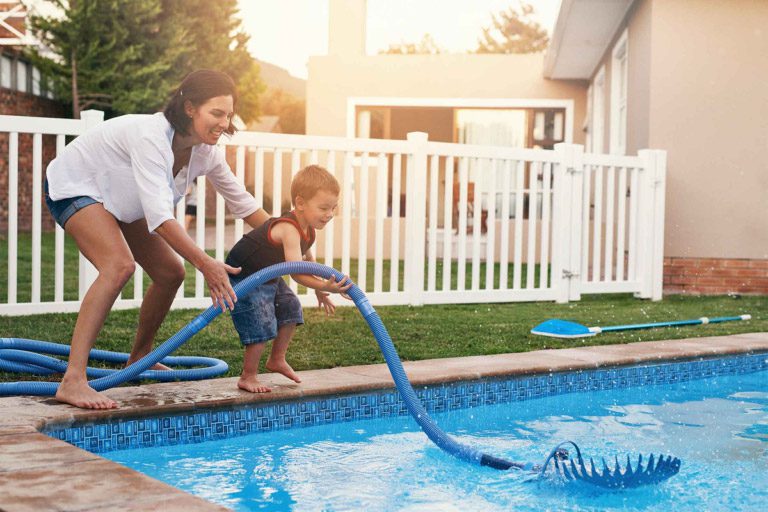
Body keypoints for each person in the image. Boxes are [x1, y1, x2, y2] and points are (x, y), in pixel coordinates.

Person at [44, 70, 269, 409]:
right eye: (217, 113)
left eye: (229, 115)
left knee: (170, 272)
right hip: (76, 185)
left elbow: (245, 204)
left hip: (122, 199)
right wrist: (206, 264)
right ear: (190, 108)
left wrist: (295, 241)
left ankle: (140, 358)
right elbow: (161, 219)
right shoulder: (151, 137)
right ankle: (73, 380)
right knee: (118, 266)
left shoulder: (206, 152)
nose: (224, 123)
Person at [225, 165, 351, 393]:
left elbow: (308, 261)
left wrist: (320, 289)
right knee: (261, 321)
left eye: (333, 207)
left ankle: (277, 359)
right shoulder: (289, 228)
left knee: (291, 307)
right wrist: (325, 285)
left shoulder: (308, 229)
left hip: (266, 275)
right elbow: (296, 271)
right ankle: (248, 376)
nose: (330, 214)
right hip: (244, 275)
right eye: (324, 208)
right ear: (300, 203)